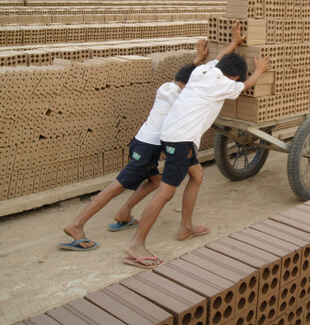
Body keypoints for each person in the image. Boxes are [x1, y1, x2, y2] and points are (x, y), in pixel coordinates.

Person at [124, 22, 271, 268]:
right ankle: (136, 244)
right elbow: (245, 85)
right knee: (166, 192)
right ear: (232, 76)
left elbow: (221, 58)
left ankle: (186, 227)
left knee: (197, 175)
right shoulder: (223, 83)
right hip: (180, 140)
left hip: (175, 135)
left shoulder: (203, 71)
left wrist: (234, 44)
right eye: (236, 77)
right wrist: (260, 70)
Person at [58, 40, 209, 251]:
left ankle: (124, 214)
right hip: (149, 148)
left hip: (140, 141)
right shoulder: (182, 98)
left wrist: (197, 59)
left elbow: (183, 76)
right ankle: (77, 224)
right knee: (117, 185)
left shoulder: (166, 86)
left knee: (155, 181)